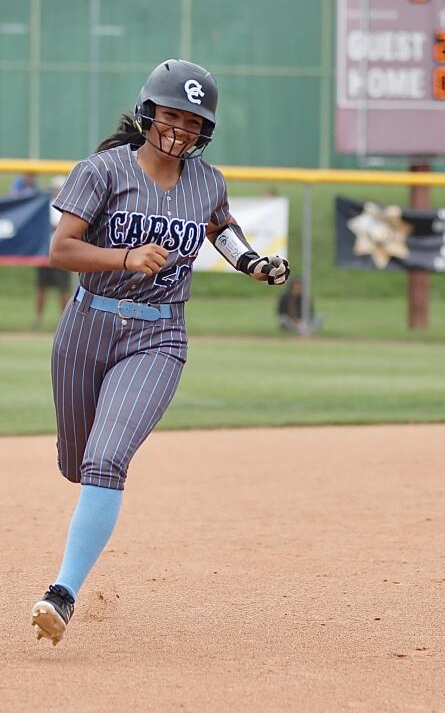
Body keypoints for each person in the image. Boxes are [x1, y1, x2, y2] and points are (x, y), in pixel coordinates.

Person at [30, 59, 290, 646]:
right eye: (171, 115)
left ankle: (62, 594)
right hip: (87, 326)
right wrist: (125, 257)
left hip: (158, 335)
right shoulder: (102, 171)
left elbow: (219, 227)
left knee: (107, 458)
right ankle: (87, 494)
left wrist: (252, 262)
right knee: (78, 460)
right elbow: (62, 250)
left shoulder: (206, 182)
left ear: (205, 131)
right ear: (149, 113)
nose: (180, 129)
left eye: (193, 122)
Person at [11, 173, 72, 327]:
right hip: (44, 252)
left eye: (58, 188)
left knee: (63, 289)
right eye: (55, 188)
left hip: (62, 253)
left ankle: (64, 321)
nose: (56, 191)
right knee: (41, 287)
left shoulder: (68, 207)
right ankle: (38, 319)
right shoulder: (45, 205)